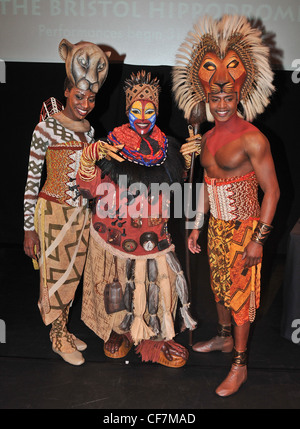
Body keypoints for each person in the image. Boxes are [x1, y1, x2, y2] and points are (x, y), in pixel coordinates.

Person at [173, 15, 280, 395]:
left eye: (228, 97)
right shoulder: (206, 137)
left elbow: (273, 192)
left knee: (240, 299)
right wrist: (198, 224)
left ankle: (240, 364)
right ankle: (222, 338)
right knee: (218, 290)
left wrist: (258, 240)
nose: (221, 104)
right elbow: (207, 182)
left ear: (240, 94)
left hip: (245, 229)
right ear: (206, 97)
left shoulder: (254, 139)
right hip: (217, 226)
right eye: (214, 98)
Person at [76, 70, 196, 367]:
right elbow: (89, 189)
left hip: (154, 235)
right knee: (116, 286)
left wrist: (187, 161)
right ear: (127, 110)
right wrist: (88, 159)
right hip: (115, 236)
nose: (143, 116)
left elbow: (173, 184)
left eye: (150, 110)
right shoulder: (111, 144)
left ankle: (157, 340)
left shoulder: (168, 147)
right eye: (136, 110)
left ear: (158, 111)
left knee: (158, 286)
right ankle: (120, 332)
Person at [23, 39, 112, 365]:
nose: (86, 103)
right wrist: (29, 229)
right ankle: (57, 336)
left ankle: (63, 328)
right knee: (54, 277)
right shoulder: (45, 129)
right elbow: (32, 181)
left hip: (81, 216)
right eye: (79, 96)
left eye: (91, 97)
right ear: (67, 93)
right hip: (53, 214)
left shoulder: (89, 131)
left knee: (72, 276)